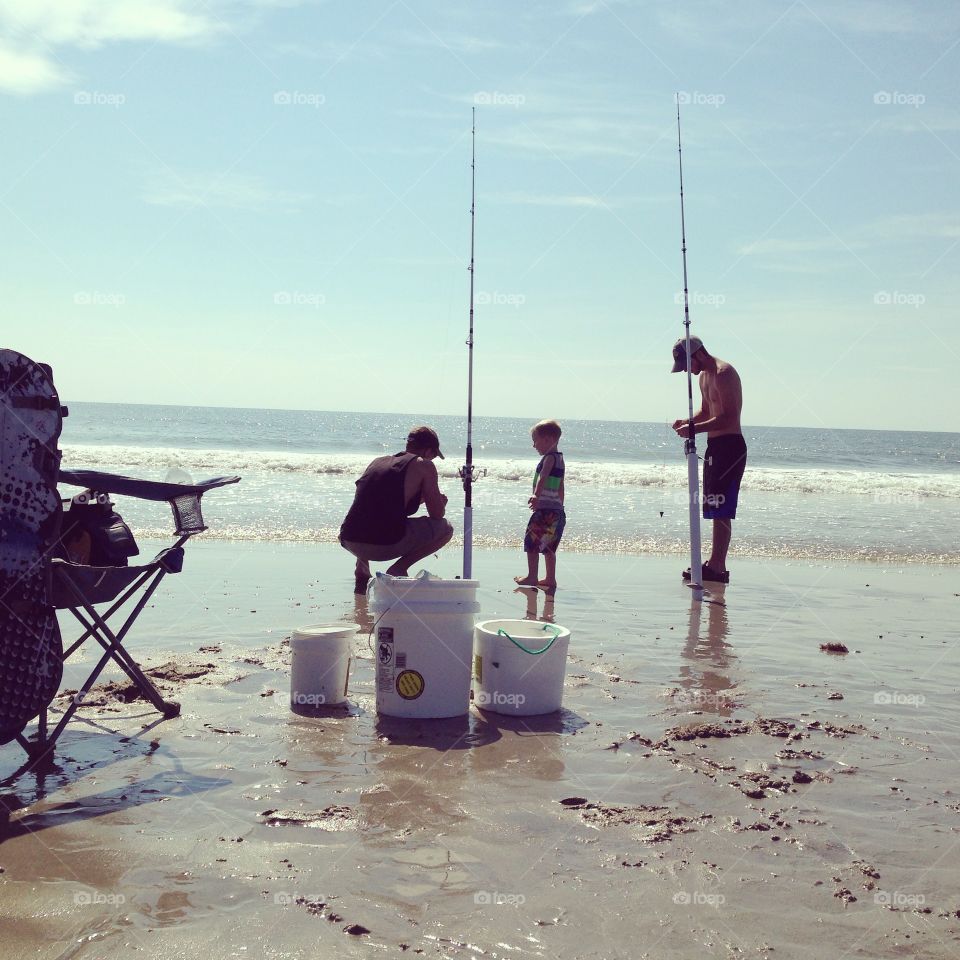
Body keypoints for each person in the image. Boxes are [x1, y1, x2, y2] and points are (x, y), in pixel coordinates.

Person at [340, 426, 453, 593]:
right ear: (429, 451)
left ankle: (361, 567)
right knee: (445, 529)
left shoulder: (378, 461)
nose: (433, 460)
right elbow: (437, 514)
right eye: (435, 455)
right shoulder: (425, 465)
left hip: (349, 540)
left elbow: (378, 504)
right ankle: (399, 568)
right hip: (383, 544)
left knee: (367, 512)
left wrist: (419, 499)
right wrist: (440, 503)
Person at [671, 337, 747, 584]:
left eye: (687, 364)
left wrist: (694, 430)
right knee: (713, 506)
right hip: (714, 446)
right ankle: (714, 563)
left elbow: (728, 417)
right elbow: (706, 412)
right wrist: (688, 422)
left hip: (730, 447)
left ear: (698, 354)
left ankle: (718, 565)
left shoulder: (724, 374)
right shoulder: (704, 377)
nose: (688, 371)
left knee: (722, 508)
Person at [514, 419, 565, 594]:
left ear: (548, 439)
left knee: (532, 541)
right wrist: (561, 506)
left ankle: (532, 576)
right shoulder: (560, 459)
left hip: (545, 510)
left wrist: (536, 495)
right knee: (549, 546)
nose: (533, 445)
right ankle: (550, 579)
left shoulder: (549, 458)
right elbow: (561, 485)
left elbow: (543, 477)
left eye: (535, 440)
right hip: (556, 510)